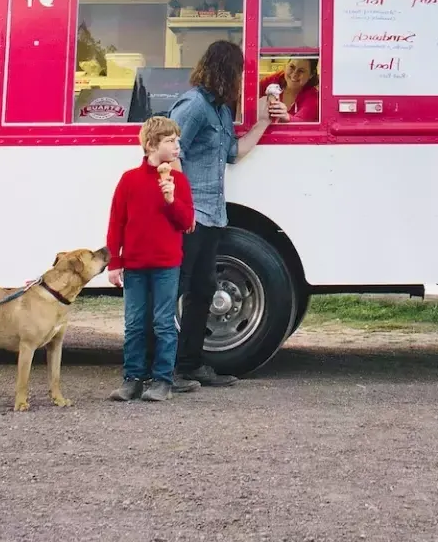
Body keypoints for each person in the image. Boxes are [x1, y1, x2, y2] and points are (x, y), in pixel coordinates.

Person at [167, 40, 278, 388]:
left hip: (213, 215)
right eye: (239, 72)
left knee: (201, 291)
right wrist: (182, 208)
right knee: (175, 290)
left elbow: (233, 152)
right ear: (226, 71)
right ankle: (161, 371)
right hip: (193, 215)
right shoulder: (194, 105)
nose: (242, 80)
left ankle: (190, 365)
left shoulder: (222, 111)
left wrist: (262, 123)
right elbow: (172, 151)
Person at [103, 116, 195, 402]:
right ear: (151, 145)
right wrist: (115, 261)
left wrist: (171, 200)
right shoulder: (129, 180)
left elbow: (187, 221)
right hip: (134, 264)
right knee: (134, 322)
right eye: (170, 141)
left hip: (167, 263)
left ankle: (163, 380)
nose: (177, 146)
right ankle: (132, 379)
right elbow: (117, 221)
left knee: (164, 322)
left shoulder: (178, 181)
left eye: (177, 141)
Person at [258, 57, 320, 124]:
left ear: (311, 75)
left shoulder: (314, 97)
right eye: (292, 67)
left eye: (301, 71)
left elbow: (302, 124)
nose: (294, 74)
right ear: (286, 65)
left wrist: (287, 116)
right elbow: (250, 94)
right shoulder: (277, 78)